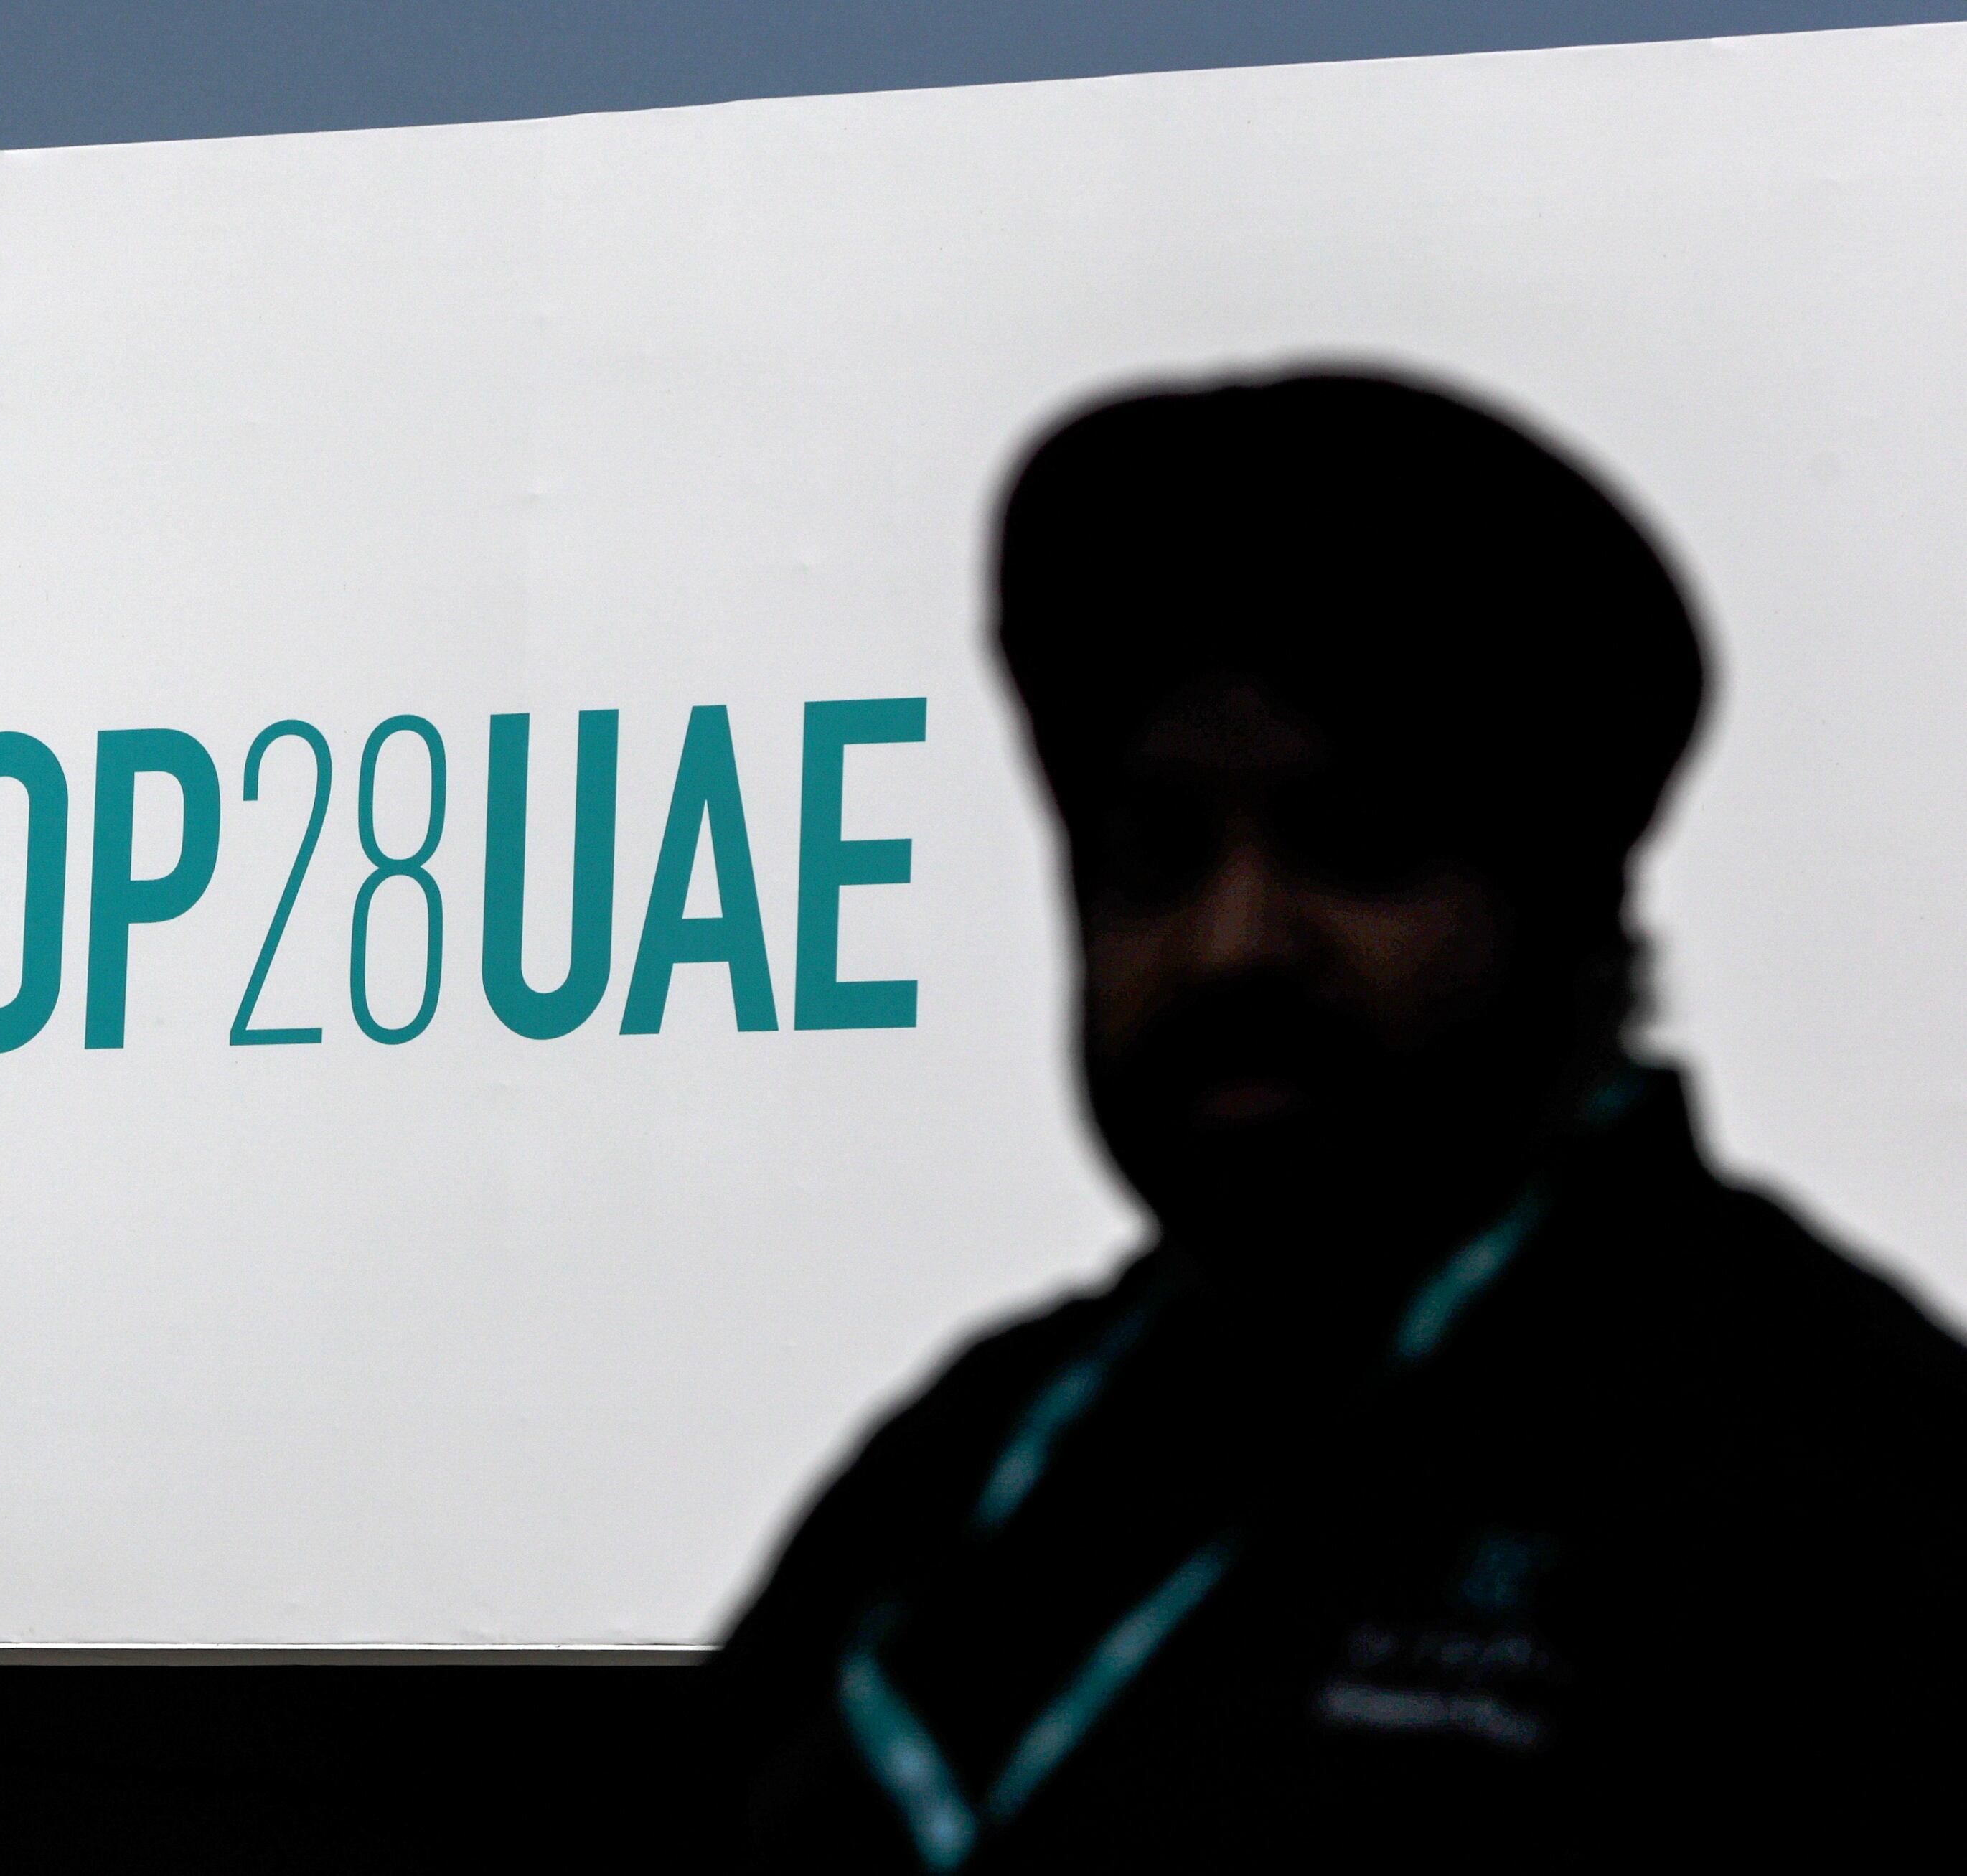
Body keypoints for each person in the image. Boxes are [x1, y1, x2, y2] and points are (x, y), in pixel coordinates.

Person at [715, 370, 1967, 1865]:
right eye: (1151, 859)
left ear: (1568, 914)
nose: (1230, 941)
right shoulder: (977, 1453)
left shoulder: (1828, 1476)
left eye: (1352, 845)